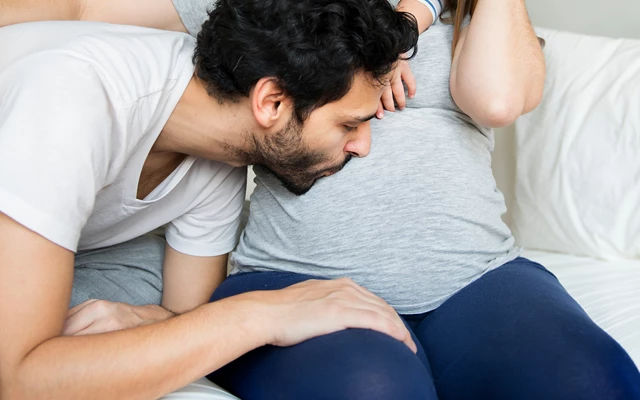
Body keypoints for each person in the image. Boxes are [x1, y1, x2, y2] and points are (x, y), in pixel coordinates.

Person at [206, 1, 640, 399]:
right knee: (374, 389)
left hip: (475, 279)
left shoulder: (467, 12)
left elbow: (497, 101)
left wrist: (404, 30)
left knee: (592, 383)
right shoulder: (283, 13)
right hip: (297, 275)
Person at [0, 0, 420, 398]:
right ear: (271, 102)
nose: (363, 146)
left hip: (86, 247)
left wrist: (157, 322)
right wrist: (264, 313)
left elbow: (184, 315)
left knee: (140, 323)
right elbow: (19, 383)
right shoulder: (72, 102)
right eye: (350, 124)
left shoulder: (222, 151)